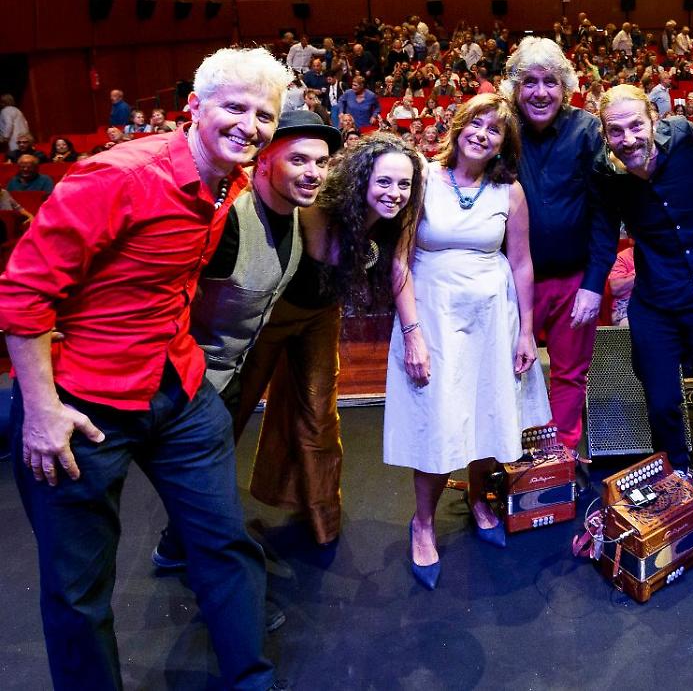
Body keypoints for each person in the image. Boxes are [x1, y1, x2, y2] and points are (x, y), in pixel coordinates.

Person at [0, 46, 291, 691]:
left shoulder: (231, 180)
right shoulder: (116, 178)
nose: (250, 126)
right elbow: (21, 294)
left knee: (225, 543)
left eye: (264, 115)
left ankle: (252, 679)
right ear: (194, 107)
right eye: (234, 108)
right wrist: (41, 412)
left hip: (177, 388)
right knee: (78, 591)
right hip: (81, 405)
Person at [150, 108, 341, 573]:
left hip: (234, 370)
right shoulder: (228, 220)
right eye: (299, 160)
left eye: (321, 162)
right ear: (264, 159)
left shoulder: (300, 216)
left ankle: (177, 547)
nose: (314, 172)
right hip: (192, 379)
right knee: (206, 489)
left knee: (206, 483)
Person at [383, 93, 549, 590]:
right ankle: (423, 523)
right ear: (458, 127)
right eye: (475, 123)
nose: (482, 134)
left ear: (503, 143)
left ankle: (479, 499)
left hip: (492, 317)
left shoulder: (510, 192)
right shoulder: (423, 177)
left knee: (489, 413)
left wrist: (526, 330)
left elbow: (521, 262)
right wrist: (412, 333)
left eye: (494, 129)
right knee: (436, 422)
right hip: (433, 316)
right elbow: (399, 259)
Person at [240, 132, 422, 547]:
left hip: (320, 317)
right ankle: (191, 526)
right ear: (361, 178)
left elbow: (394, 264)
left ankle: (322, 521)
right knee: (235, 407)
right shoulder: (320, 205)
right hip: (272, 315)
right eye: (384, 181)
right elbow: (328, 255)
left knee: (320, 415)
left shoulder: (399, 214)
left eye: (404, 184)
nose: (395, 193)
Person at [592, 84, 693, 475]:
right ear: (605, 134)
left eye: (636, 125)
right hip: (656, 299)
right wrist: (591, 288)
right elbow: (603, 234)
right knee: (660, 401)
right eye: (616, 131)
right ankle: (676, 466)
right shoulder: (607, 175)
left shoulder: (687, 139)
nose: (628, 139)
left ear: (653, 120)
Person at [502, 37, 611, 452]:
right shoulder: (500, 127)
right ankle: (512, 457)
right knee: (509, 372)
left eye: (550, 81)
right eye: (529, 81)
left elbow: (604, 215)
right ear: (514, 87)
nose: (540, 92)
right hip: (511, 280)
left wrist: (593, 284)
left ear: (565, 87)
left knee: (570, 375)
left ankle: (560, 458)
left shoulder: (587, 130)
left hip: (572, 280)